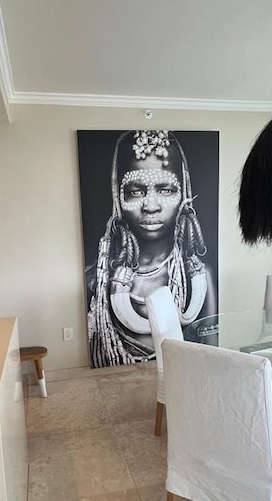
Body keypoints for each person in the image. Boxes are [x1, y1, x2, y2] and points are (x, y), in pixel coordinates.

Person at [86, 129, 216, 367]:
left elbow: (211, 357)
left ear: (183, 194)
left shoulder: (199, 279)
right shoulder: (96, 281)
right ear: (118, 198)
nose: (151, 206)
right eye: (136, 192)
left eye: (166, 190)